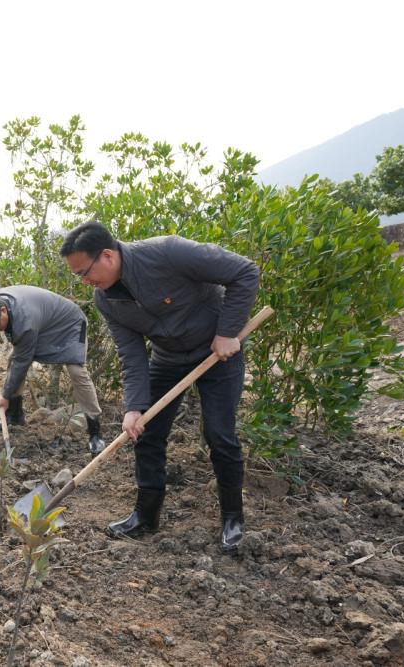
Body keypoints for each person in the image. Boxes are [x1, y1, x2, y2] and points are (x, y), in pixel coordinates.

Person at [59, 221, 259, 552]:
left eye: (84, 272)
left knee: (219, 434)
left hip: (217, 353)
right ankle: (146, 515)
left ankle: (232, 519)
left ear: (107, 255)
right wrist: (134, 407)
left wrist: (227, 332)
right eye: (77, 276)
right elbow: (132, 354)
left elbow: (245, 272)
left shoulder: (168, 252)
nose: (84, 281)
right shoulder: (105, 300)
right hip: (168, 358)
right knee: (146, 431)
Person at [0, 286, 106, 455]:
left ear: (3, 310)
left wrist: (5, 396)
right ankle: (14, 415)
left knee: (77, 371)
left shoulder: (24, 322)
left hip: (71, 323)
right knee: (13, 360)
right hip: (45, 325)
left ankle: (95, 432)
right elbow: (19, 359)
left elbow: (22, 362)